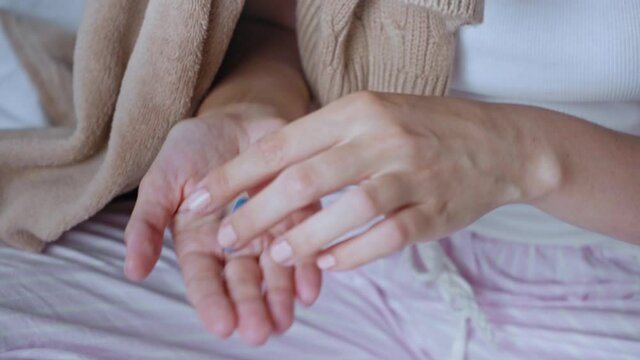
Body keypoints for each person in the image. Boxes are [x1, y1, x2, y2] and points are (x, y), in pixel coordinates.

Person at [124, 0, 640, 358]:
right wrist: (249, 104)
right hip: (333, 245)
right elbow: (274, 21)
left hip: (609, 278)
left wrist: (518, 155)